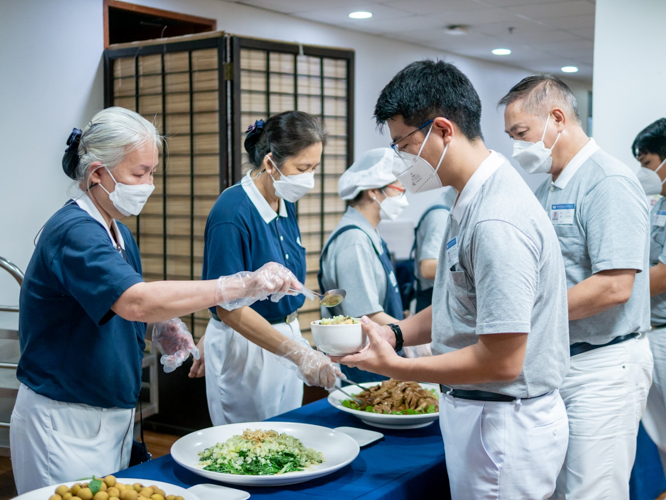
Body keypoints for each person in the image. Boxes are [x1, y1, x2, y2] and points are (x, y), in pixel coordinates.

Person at [11, 107, 303, 493]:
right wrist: (239, 284)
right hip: (64, 418)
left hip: (111, 412)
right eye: (139, 173)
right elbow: (134, 301)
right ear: (97, 173)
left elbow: (118, 299)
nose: (148, 184)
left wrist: (161, 326)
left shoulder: (117, 232)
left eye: (152, 173)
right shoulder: (74, 232)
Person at [334, 60, 570, 500]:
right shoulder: (469, 199)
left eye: (403, 145)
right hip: (482, 412)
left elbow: (503, 361)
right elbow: (454, 301)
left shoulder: (496, 218)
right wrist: (395, 332)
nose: (401, 163)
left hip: (504, 423)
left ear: (443, 129)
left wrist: (398, 369)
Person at [499, 75, 654, 500]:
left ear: (556, 118)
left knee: (593, 492)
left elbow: (614, 287)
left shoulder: (607, 181)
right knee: (561, 489)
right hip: (561, 362)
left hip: (604, 365)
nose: (517, 147)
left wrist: (523, 313)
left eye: (521, 134)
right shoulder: (550, 185)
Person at [190, 111, 340, 426]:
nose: (309, 178)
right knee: (248, 448)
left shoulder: (285, 201)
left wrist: (296, 349)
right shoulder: (232, 213)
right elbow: (229, 307)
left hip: (286, 336)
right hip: (247, 345)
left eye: (314, 168)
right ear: (270, 163)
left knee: (284, 436)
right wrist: (297, 354)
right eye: (302, 168)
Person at [318, 147, 408, 382]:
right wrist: (409, 336)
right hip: (363, 362)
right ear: (373, 192)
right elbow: (366, 314)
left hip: (380, 352)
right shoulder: (354, 240)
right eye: (399, 190)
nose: (404, 199)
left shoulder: (370, 234)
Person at [634, 118, 666, 477]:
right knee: (660, 434)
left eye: (647, 163)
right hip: (651, 329)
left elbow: (662, 276)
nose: (643, 172)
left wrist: (613, 289)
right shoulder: (658, 204)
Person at [412, 187, 457, 313]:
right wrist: (470, 269)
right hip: (433, 300)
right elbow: (427, 268)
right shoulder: (441, 216)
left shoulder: (452, 211)